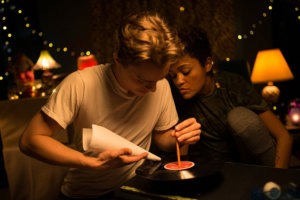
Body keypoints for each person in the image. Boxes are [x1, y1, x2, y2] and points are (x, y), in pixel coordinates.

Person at [19, 12, 200, 199]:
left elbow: (162, 137)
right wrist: (88, 162)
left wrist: (180, 137)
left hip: (135, 189)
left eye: (160, 79)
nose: (154, 89)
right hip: (85, 194)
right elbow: (30, 140)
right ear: (118, 59)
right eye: (142, 80)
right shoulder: (80, 84)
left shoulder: (158, 85)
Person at [168, 25, 293, 169]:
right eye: (173, 76)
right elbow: (182, 149)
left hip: (255, 162)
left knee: (238, 117)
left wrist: (279, 177)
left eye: (186, 71)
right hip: (214, 170)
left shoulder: (234, 85)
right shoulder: (176, 95)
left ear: (208, 64)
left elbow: (284, 136)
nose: (179, 81)